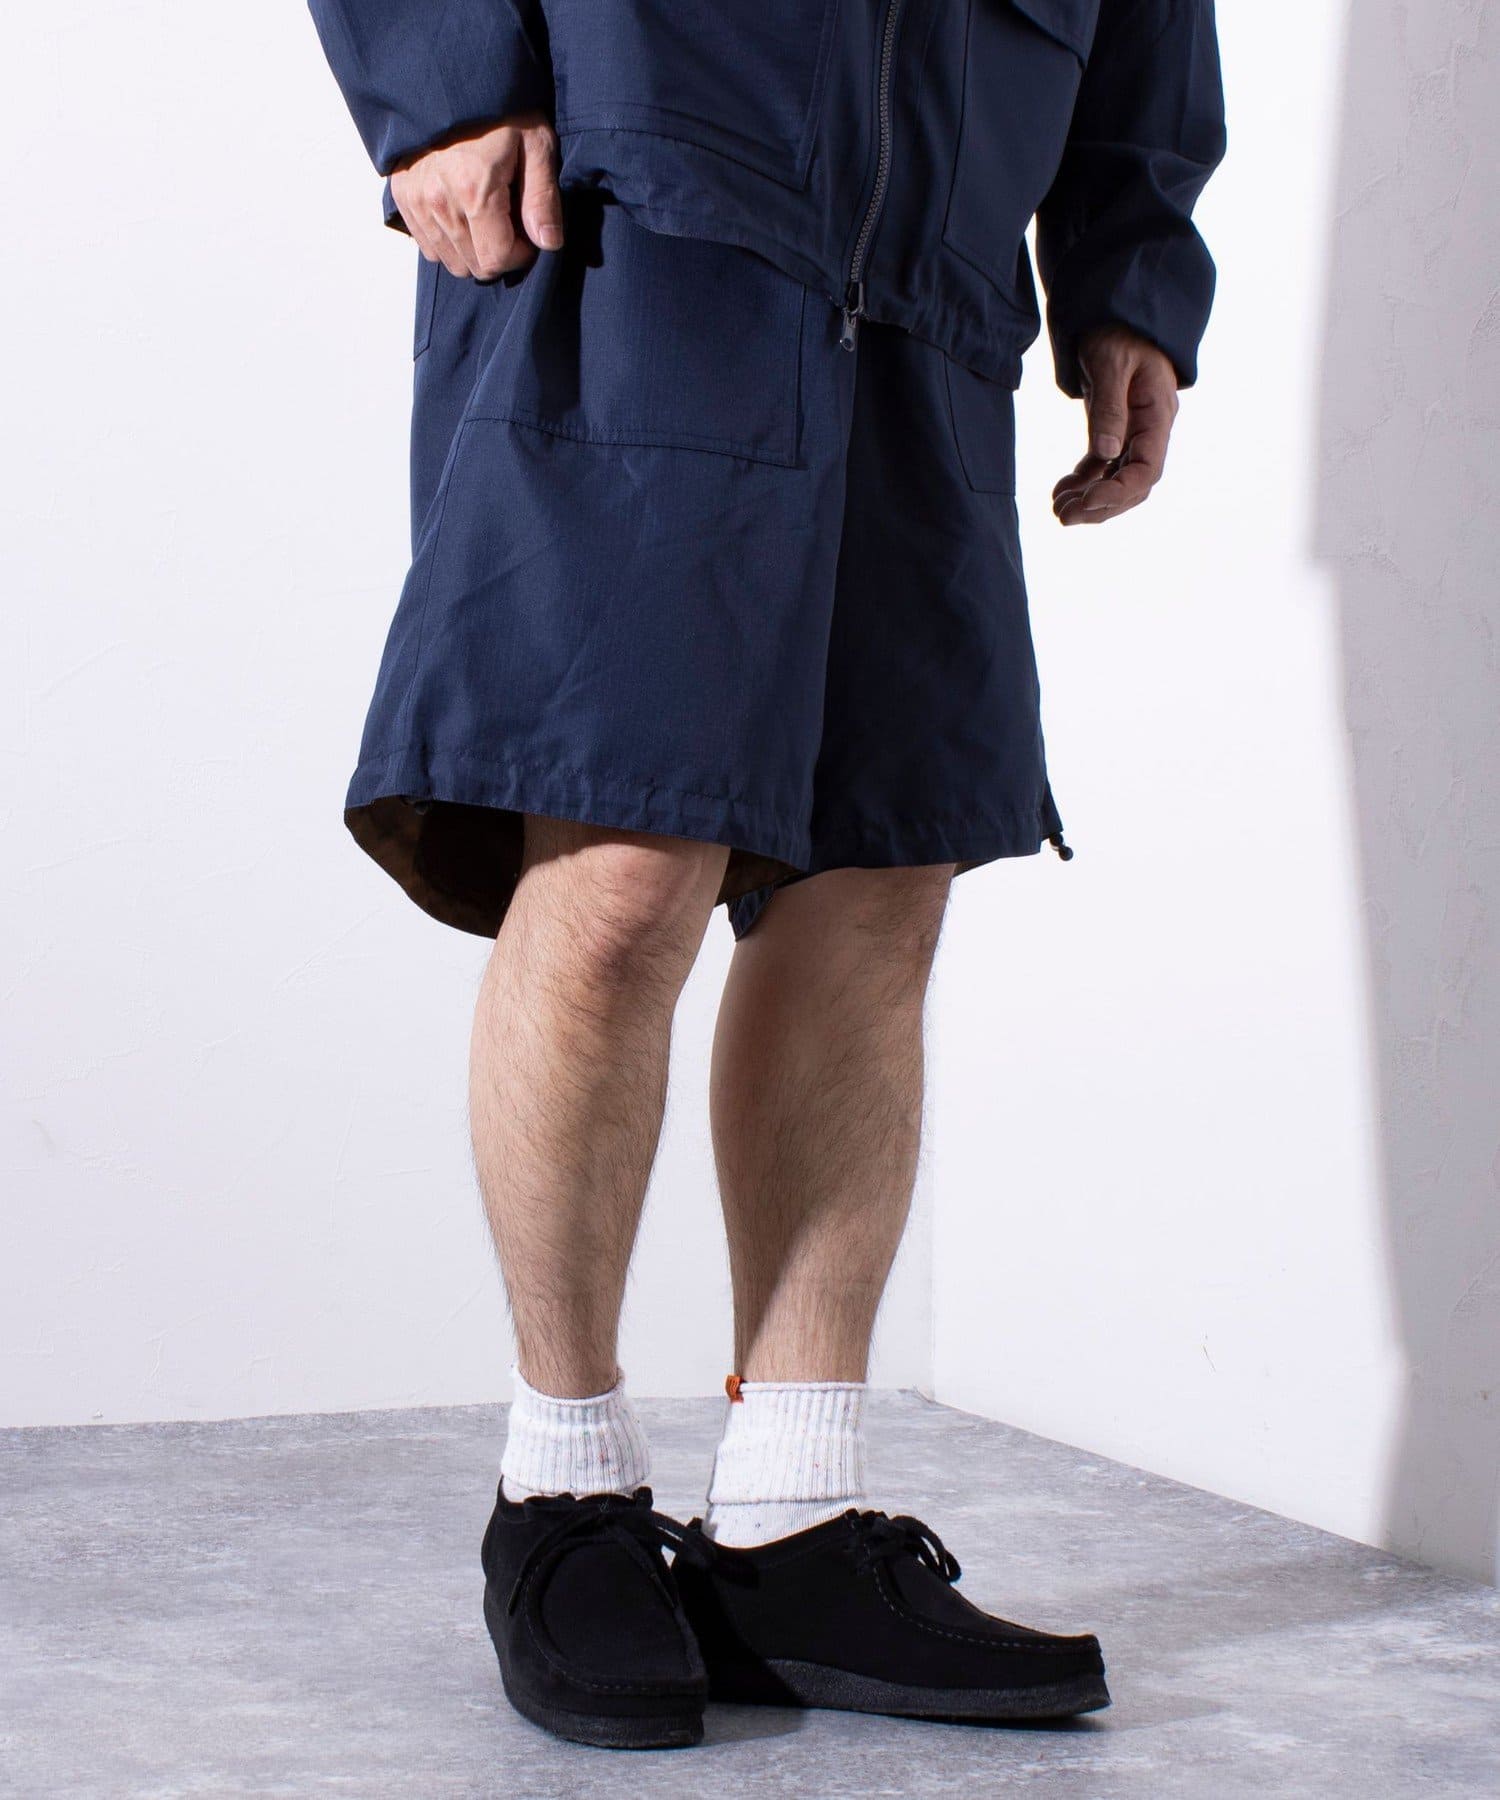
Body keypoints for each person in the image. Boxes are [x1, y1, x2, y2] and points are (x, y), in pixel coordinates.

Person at [308, 0, 1225, 1750]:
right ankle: (562, 1491)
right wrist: (436, 81)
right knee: (620, 862)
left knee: (874, 882)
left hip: (938, 247)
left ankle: (793, 1517)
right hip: (639, 196)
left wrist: (1130, 262)